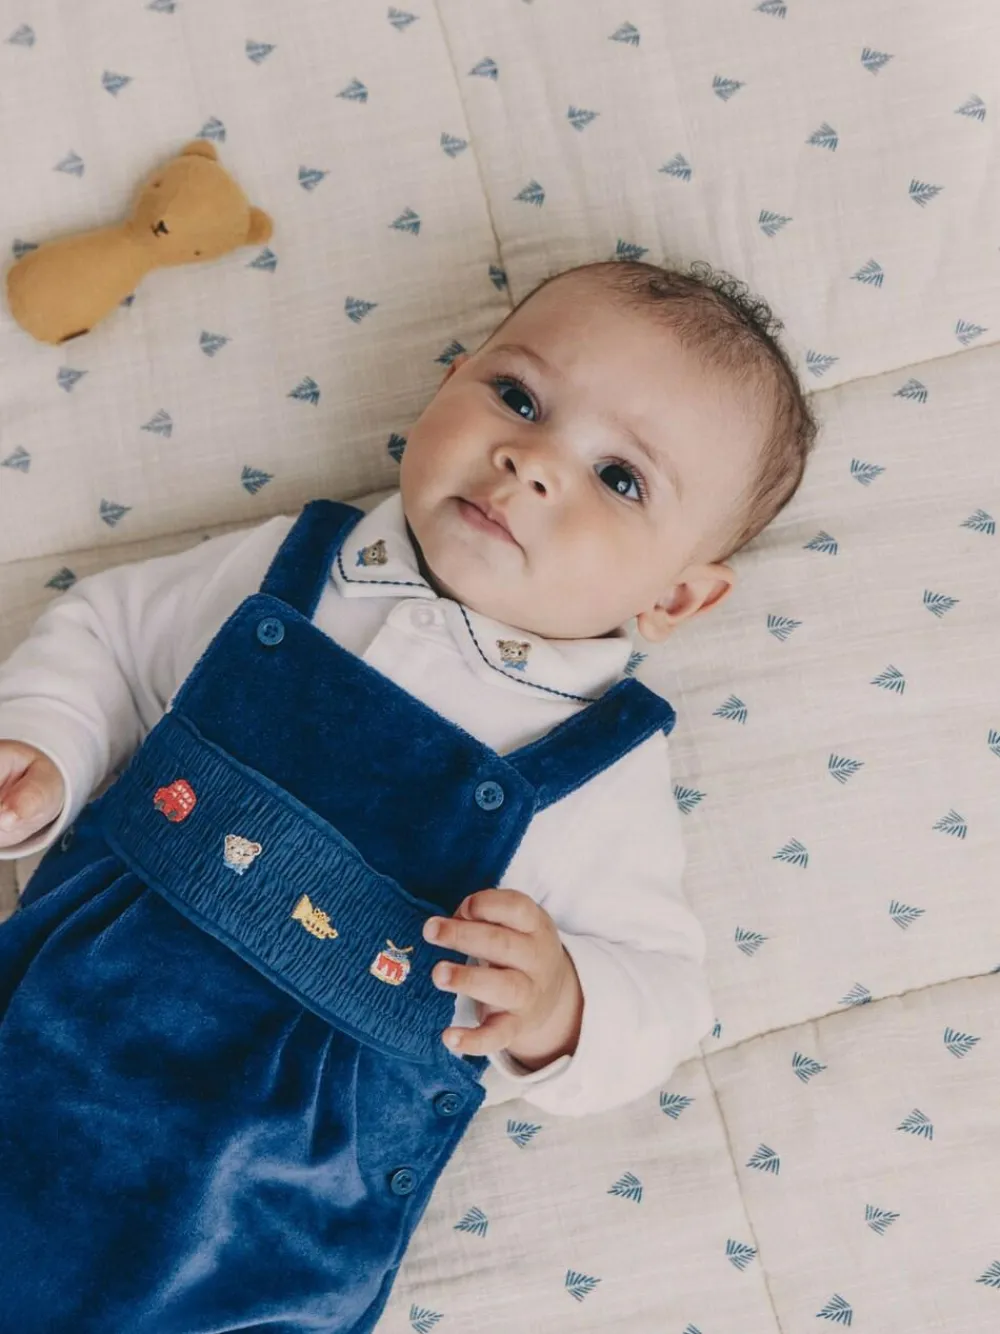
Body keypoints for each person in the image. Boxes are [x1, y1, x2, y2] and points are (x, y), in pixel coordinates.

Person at [0, 259, 817, 1332]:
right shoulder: (301, 566)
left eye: (619, 478)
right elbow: (112, 636)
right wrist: (46, 745)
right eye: (518, 399)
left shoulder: (596, 762)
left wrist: (563, 1001)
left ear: (676, 595)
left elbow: (664, 991)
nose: (529, 463)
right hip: (71, 1015)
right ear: (450, 377)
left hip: (286, 1172)